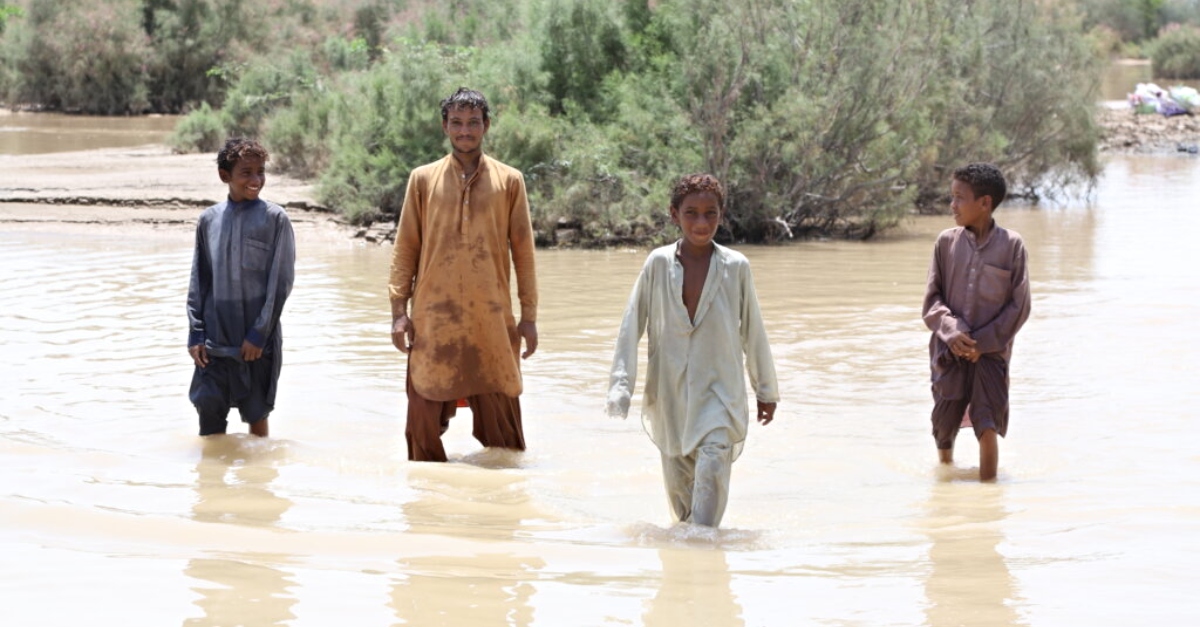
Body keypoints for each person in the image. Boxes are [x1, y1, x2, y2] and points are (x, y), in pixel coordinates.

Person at [607, 174, 779, 528]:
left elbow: (754, 330)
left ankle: (703, 547)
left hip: (720, 392)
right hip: (671, 394)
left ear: (722, 214)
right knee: (681, 501)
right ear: (674, 215)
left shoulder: (736, 267)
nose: (701, 223)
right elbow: (631, 325)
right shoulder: (657, 264)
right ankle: (689, 572)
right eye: (691, 213)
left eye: (710, 214)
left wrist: (766, 389)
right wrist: (621, 386)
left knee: (713, 465)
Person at [389, 87, 539, 462]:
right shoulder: (422, 179)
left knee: (506, 443)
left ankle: (501, 510)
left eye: (473, 123)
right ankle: (430, 509)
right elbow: (406, 246)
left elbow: (524, 253)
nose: (465, 131)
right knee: (422, 431)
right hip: (433, 319)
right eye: (456, 123)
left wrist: (530, 317)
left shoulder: (510, 181)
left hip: (491, 319)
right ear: (445, 127)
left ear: (486, 126)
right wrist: (398, 311)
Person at [922, 162, 1031, 481]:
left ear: (984, 203)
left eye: (959, 197)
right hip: (948, 351)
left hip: (992, 355)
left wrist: (981, 344)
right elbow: (932, 299)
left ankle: (989, 495)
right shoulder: (945, 242)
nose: (952, 205)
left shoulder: (1012, 245)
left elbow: (1019, 306)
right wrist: (953, 332)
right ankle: (944, 479)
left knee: (987, 423)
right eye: (951, 197)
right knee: (944, 424)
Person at [186, 138, 296, 437]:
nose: (256, 179)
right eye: (246, 172)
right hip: (214, 344)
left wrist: (259, 334)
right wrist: (196, 333)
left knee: (257, 417)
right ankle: (211, 483)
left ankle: (258, 480)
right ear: (225, 176)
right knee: (208, 417)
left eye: (260, 171)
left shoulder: (275, 219)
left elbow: (280, 284)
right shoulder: (208, 220)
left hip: (256, 345)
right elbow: (200, 279)